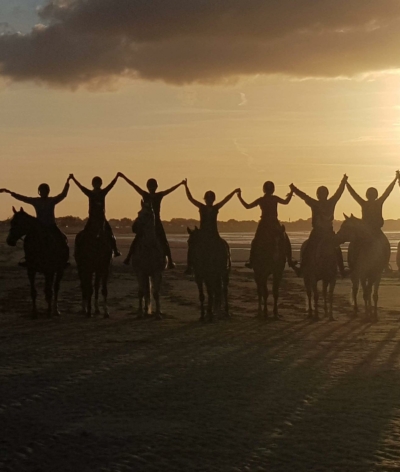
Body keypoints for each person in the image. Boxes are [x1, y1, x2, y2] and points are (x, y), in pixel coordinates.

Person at [0, 176, 71, 265]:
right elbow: (23, 198)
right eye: (41, 191)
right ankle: (28, 259)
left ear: (47, 192)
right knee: (28, 240)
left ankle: (64, 260)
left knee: (62, 239)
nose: (42, 193)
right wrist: (10, 192)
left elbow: (63, 195)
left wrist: (67, 183)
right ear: (39, 192)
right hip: (39, 227)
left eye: (44, 191)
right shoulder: (35, 201)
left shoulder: (52, 200)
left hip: (51, 226)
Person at [118, 173, 185, 268]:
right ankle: (128, 257)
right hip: (146, 223)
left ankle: (170, 261)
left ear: (156, 187)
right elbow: (133, 185)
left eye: (153, 186)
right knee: (138, 238)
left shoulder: (158, 195)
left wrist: (180, 183)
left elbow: (170, 190)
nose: (152, 188)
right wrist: (124, 177)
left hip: (156, 222)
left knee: (163, 240)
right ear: (149, 187)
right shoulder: (146, 195)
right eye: (151, 186)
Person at [290, 174, 348, 276]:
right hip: (328, 233)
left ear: (318, 195)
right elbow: (339, 192)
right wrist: (343, 182)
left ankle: (302, 268)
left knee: (308, 248)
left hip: (318, 233)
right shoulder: (331, 202)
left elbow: (304, 196)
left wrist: (294, 189)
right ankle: (342, 270)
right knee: (336, 249)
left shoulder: (314, 203)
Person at [237, 181, 298, 273]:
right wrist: (291, 192)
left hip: (264, 224)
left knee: (255, 241)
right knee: (285, 239)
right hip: (273, 223)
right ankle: (290, 260)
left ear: (264, 189)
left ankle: (251, 260)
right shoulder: (274, 198)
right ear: (273, 189)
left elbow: (247, 206)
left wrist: (239, 197)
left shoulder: (261, 200)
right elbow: (286, 202)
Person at [184, 180, 239, 274]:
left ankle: (226, 264)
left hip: (214, 233)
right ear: (205, 199)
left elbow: (226, 199)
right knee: (192, 246)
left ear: (213, 199)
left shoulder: (216, 207)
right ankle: (190, 266)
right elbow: (190, 198)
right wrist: (186, 186)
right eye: (207, 199)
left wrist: (233, 192)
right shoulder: (202, 207)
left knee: (223, 246)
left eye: (211, 199)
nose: (209, 200)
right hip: (203, 233)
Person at [69, 174, 121, 257]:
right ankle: (77, 251)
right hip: (92, 219)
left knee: (110, 234)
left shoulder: (103, 192)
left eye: (98, 183)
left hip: (102, 219)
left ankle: (115, 250)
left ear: (100, 184)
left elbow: (111, 185)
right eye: (95, 183)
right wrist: (73, 179)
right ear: (93, 184)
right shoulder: (90, 193)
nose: (97, 185)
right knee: (81, 236)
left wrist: (116, 177)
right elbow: (81, 187)